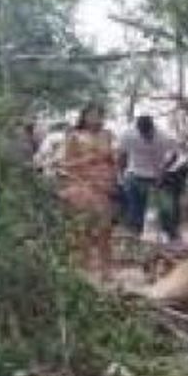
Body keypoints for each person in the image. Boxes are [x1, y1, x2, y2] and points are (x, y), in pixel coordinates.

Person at [57, 102, 118, 277]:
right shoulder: (74, 136)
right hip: (82, 187)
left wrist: (113, 164)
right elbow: (63, 164)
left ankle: (106, 270)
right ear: (84, 116)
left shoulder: (107, 135)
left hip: (104, 188)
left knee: (105, 230)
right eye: (92, 114)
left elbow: (114, 161)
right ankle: (85, 269)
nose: (96, 118)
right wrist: (87, 160)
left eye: (99, 114)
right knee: (83, 230)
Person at [116, 114, 180, 242]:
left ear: (153, 128)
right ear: (137, 129)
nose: (146, 137)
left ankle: (171, 234)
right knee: (135, 208)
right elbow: (122, 156)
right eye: (143, 134)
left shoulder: (165, 136)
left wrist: (164, 170)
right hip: (134, 174)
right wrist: (121, 175)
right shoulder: (127, 135)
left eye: (149, 133)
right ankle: (135, 236)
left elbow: (175, 154)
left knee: (165, 207)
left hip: (157, 175)